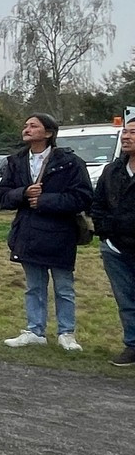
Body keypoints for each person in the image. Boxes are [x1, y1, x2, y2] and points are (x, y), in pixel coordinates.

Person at [0, 113, 95, 352]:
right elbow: (2, 196)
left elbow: (82, 197)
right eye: (26, 125)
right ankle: (35, 331)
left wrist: (44, 200)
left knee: (64, 287)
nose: (27, 129)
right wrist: (24, 193)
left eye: (34, 126)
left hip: (60, 233)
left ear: (48, 133)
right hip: (28, 232)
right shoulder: (15, 161)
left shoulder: (71, 162)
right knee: (34, 286)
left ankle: (66, 333)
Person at [92, 117, 135, 367]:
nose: (126, 137)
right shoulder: (112, 171)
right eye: (125, 132)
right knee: (126, 300)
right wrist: (105, 232)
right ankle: (132, 345)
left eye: (133, 132)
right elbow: (97, 204)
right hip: (116, 247)